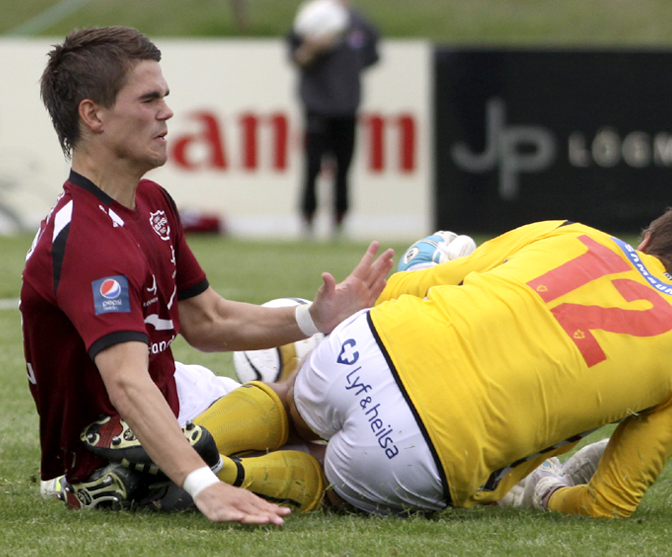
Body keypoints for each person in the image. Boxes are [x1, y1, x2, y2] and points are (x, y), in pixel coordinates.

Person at [21, 26, 393, 525]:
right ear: (93, 115)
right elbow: (126, 383)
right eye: (149, 99)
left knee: (319, 404)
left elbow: (208, 321)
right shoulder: (86, 238)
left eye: (164, 97)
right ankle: (131, 476)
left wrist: (313, 319)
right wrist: (204, 487)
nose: (167, 112)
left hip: (173, 396)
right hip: (116, 435)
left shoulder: (151, 201)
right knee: (342, 470)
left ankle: (190, 463)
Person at [192, 204, 672, 517]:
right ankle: (231, 473)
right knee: (327, 478)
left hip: (374, 344)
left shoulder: (571, 233)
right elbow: (609, 504)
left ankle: (190, 443)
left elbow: (422, 284)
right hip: (427, 452)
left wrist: (382, 297)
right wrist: (552, 494)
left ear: (647, 238)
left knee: (291, 403)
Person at [287, 0, 380, 238]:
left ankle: (340, 219)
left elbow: (372, 57)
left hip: (347, 107)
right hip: (317, 106)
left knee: (344, 167)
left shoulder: (360, 23)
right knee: (312, 165)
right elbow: (295, 58)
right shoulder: (311, 17)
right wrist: (313, 48)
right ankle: (308, 218)